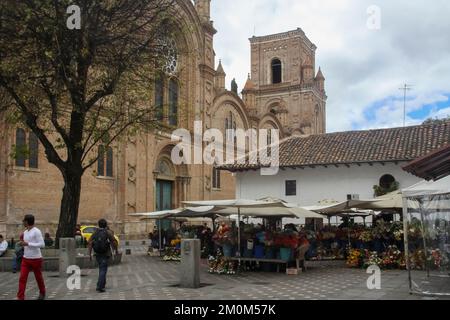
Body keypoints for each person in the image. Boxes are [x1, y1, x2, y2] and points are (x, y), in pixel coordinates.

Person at [17, 214, 46, 300]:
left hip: (36, 259)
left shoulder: (36, 231)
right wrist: (22, 244)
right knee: (22, 278)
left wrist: (28, 244)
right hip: (26, 259)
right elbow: (26, 244)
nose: (23, 222)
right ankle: (20, 297)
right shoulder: (25, 232)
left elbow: (42, 244)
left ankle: (42, 292)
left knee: (38, 278)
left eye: (24, 221)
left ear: (27, 222)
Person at [88, 219, 118, 293]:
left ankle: (101, 284)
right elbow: (114, 241)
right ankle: (100, 286)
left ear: (98, 224)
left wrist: (89, 254)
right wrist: (116, 250)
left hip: (97, 253)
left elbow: (90, 242)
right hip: (105, 254)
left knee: (101, 268)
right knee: (103, 269)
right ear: (106, 225)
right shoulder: (108, 232)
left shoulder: (95, 233)